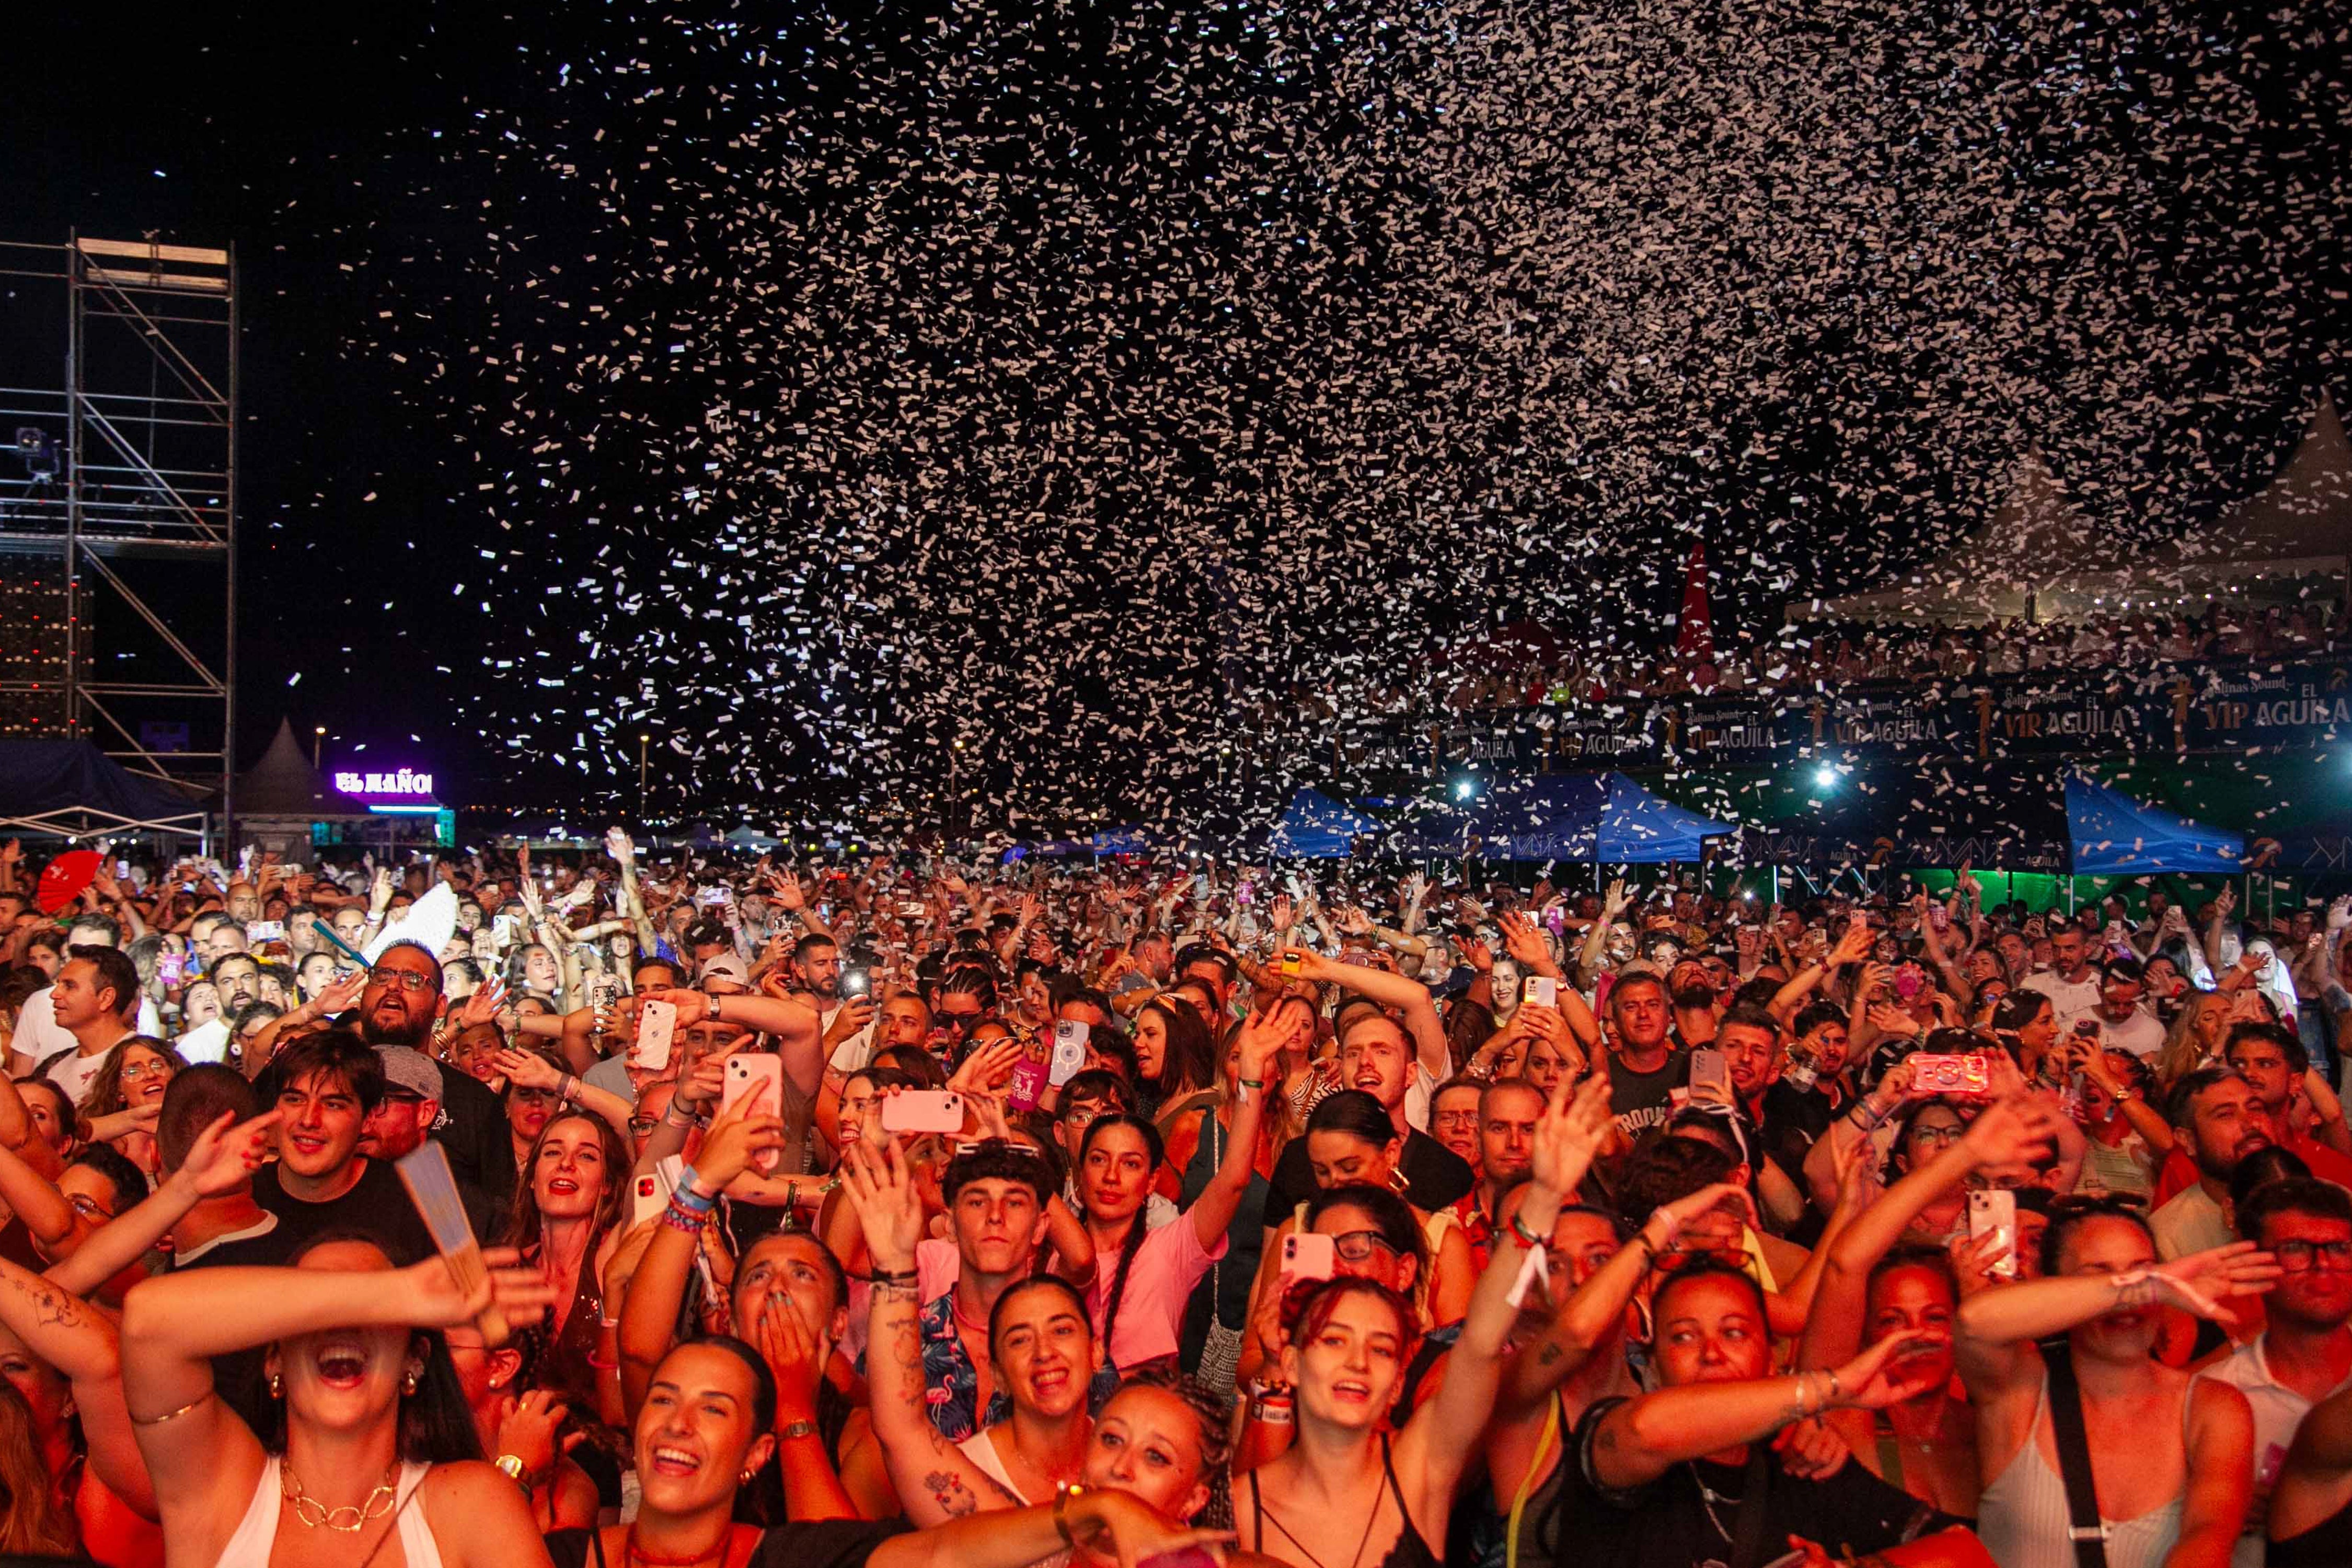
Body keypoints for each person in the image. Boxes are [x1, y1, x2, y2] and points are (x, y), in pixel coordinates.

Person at [1237, 1075, 1606, 1568]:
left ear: (1401, 1376)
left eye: (1382, 1348)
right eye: (1333, 1341)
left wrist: (1543, 1200)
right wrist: (1274, 1374)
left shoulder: (1417, 1469)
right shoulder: (1247, 1500)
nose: (1357, 1363)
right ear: (1299, 1365)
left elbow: (1481, 1340)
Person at [546, 1337, 1223, 1568]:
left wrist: (1090, 1510)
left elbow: (943, 1553)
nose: (678, 1424)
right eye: (663, 1400)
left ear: (757, 1452)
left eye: (713, 1409)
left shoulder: (792, 1560)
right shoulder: (551, 1556)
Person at [119, 1236, 561, 1567]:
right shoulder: (220, 1490)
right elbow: (146, 1324)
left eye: (371, 1311)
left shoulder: (473, 1504)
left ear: (415, 1361)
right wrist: (394, 1295)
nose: (344, 1325)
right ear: (274, 1361)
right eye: (319, 1306)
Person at [1956, 1202, 2270, 1568]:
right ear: (2055, 1289)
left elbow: (2209, 1538)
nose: (2132, 1302)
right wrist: (2137, 1288)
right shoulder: (2018, 1386)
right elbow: (1973, 1322)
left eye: (2145, 1273)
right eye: (2098, 1276)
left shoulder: (2213, 1405)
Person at [1077, 1004, 1289, 1368]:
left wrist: (1251, 1078)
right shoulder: (1057, 1248)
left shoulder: (1171, 1250)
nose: (1112, 1176)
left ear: (1152, 1181)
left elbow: (1234, 1179)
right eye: (1098, 1160)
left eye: (1131, 1164)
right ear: (1079, 1175)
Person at [2199, 1177, 2352, 1566]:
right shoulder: (2210, 1396)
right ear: (2253, 1263)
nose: (2323, 1266)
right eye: (2297, 1249)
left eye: (2339, 1248)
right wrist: (2209, 1500)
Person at [251, 1030, 439, 1265]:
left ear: (368, 1118)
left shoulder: (418, 1205)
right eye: (295, 1100)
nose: (309, 1120)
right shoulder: (243, 1199)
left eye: (333, 1105)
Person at [2152, 1068, 2277, 1260]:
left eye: (2255, 1108)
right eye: (2226, 1115)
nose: (2252, 1124)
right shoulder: (2165, 1239)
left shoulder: (2331, 1201)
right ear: (2188, 1140)